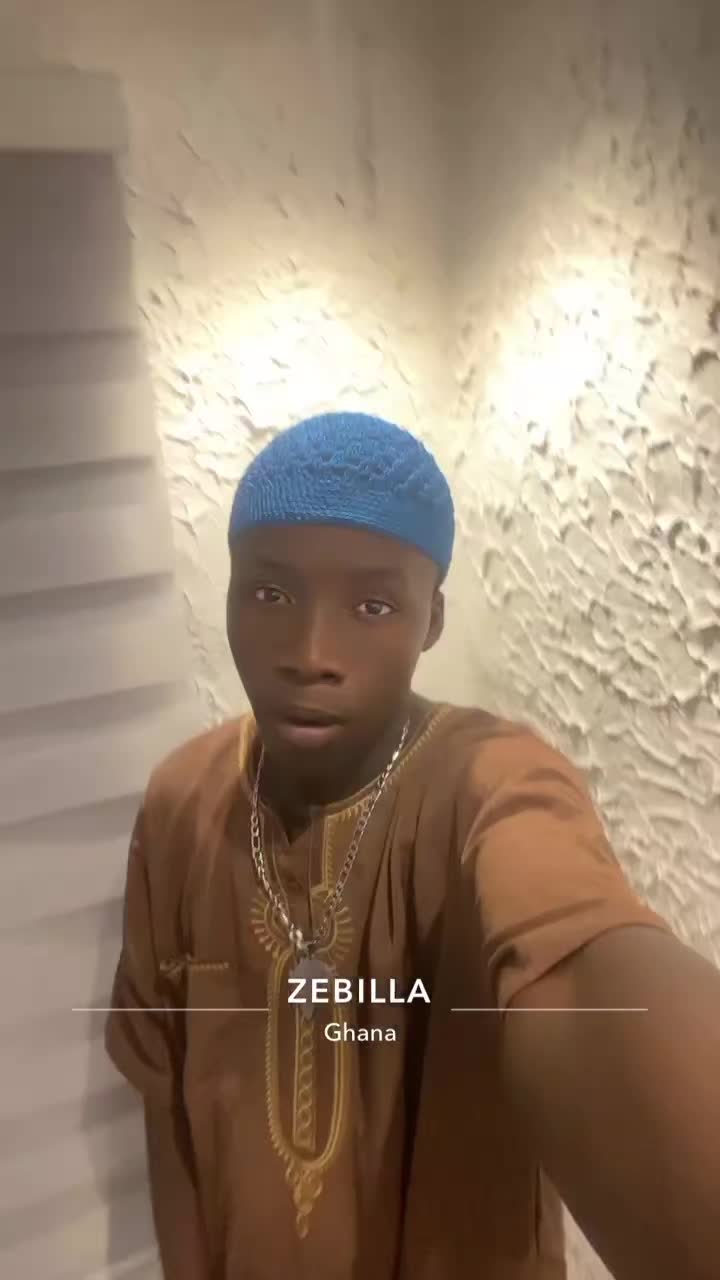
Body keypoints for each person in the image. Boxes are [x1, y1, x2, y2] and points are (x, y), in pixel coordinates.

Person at [106, 411, 719, 1280]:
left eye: (373, 605)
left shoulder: (492, 783)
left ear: (431, 619)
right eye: (271, 594)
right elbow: (166, 1107)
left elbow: (581, 966)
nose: (311, 654)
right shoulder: (183, 803)